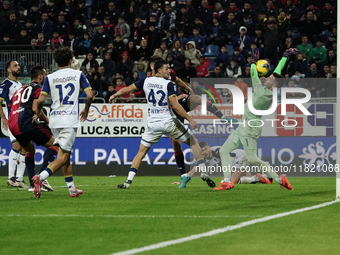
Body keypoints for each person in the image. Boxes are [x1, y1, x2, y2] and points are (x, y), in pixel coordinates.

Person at [109, 60, 206, 189]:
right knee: (193, 142)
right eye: (166, 69)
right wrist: (190, 119)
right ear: (159, 70)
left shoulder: (146, 81)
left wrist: (114, 95)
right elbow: (176, 106)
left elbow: (127, 89)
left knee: (141, 153)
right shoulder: (168, 84)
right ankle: (204, 171)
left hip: (152, 124)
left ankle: (128, 181)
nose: (169, 71)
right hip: (168, 121)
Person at [214, 48, 297, 191]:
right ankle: (227, 181)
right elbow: (277, 73)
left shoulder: (262, 92)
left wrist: (253, 61)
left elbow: (253, 73)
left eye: (270, 78)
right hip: (243, 126)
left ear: (274, 85)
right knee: (224, 151)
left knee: (252, 159)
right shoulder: (269, 90)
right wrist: (285, 56)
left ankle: (279, 179)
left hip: (251, 128)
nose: (268, 77)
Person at [149, 56, 237, 188]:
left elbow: (177, 80)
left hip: (180, 103)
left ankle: (222, 116)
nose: (166, 70)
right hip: (168, 111)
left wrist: (188, 89)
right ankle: (184, 175)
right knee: (176, 142)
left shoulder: (169, 73)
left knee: (196, 98)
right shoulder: (150, 81)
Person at [32, 47, 94, 198]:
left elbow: (40, 100)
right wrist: (86, 109)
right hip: (69, 120)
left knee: (66, 154)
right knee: (63, 157)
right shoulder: (78, 74)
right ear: (69, 60)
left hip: (55, 120)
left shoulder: (50, 77)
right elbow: (90, 95)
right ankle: (40, 178)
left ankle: (72, 189)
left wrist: (38, 113)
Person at [8, 66, 57, 192]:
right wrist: (47, 121)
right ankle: (40, 177)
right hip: (26, 122)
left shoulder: (20, 89)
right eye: (45, 75)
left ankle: (32, 185)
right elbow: (36, 109)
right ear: (40, 77)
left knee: (29, 150)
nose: (46, 78)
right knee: (55, 145)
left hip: (13, 124)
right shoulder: (38, 88)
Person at [173, 141, 273, 185]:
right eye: (202, 151)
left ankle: (259, 178)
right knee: (246, 180)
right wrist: (182, 181)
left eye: (206, 149)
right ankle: (260, 178)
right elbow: (194, 170)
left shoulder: (218, 152)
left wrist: (223, 181)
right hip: (237, 163)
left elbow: (227, 166)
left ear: (209, 147)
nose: (205, 152)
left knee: (231, 183)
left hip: (240, 157)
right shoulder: (203, 159)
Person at [0, 60, 26, 188]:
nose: (18, 67)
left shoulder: (20, 84)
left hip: (22, 120)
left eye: (18, 65)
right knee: (17, 145)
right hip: (12, 119)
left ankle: (19, 178)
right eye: (15, 66)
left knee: (24, 148)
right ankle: (11, 177)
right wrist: (4, 118)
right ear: (9, 70)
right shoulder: (6, 84)